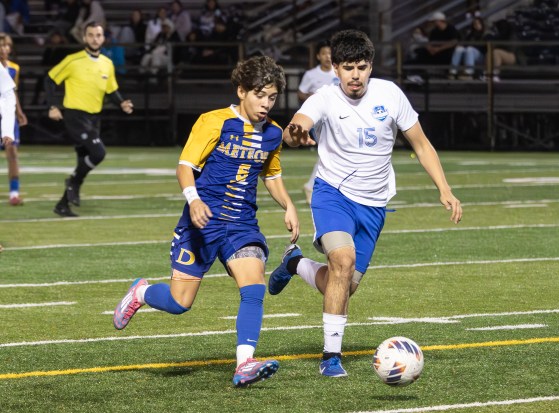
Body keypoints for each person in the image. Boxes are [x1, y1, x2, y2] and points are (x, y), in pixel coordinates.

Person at [269, 29, 462, 377]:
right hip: (332, 194)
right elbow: (296, 126)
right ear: (336, 69)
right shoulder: (324, 97)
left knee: (341, 286)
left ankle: (295, 265)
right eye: (347, 67)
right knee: (343, 261)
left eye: (361, 67)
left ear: (370, 66)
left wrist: (444, 188)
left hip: (374, 205)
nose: (355, 75)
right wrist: (295, 133)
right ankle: (330, 357)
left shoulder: (390, 94)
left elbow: (420, 144)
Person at [112, 55, 299, 388]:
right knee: (180, 302)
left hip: (242, 225)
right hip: (202, 221)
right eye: (260, 95)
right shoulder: (214, 122)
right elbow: (184, 166)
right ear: (242, 91)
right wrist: (194, 200)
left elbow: (271, 174)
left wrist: (288, 204)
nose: (266, 103)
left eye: (272, 97)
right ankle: (142, 292)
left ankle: (245, 363)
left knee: (253, 288)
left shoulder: (273, 134)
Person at [45, 21, 134, 217]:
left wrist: (121, 103)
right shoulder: (72, 60)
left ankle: (63, 204)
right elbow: (50, 79)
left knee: (82, 162)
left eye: (98, 35)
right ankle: (73, 183)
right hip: (75, 115)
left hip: (94, 118)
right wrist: (52, 106)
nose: (95, 38)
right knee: (99, 153)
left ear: (103, 38)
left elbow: (111, 90)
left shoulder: (107, 64)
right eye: (91, 35)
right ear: (84, 38)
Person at [297, 39, 339, 204]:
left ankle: (314, 185)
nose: (328, 56)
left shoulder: (338, 72)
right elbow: (300, 93)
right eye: (324, 53)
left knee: (331, 151)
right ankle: (313, 185)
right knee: (330, 150)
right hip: (320, 120)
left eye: (330, 53)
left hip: (338, 118)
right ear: (318, 56)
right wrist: (314, 99)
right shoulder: (311, 74)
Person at [0, 33, 27, 205]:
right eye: (1, 45)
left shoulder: (14, 68)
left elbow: (12, 92)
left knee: (12, 153)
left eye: (6, 45)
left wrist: (19, 112)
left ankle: (14, 193)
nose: (4, 49)